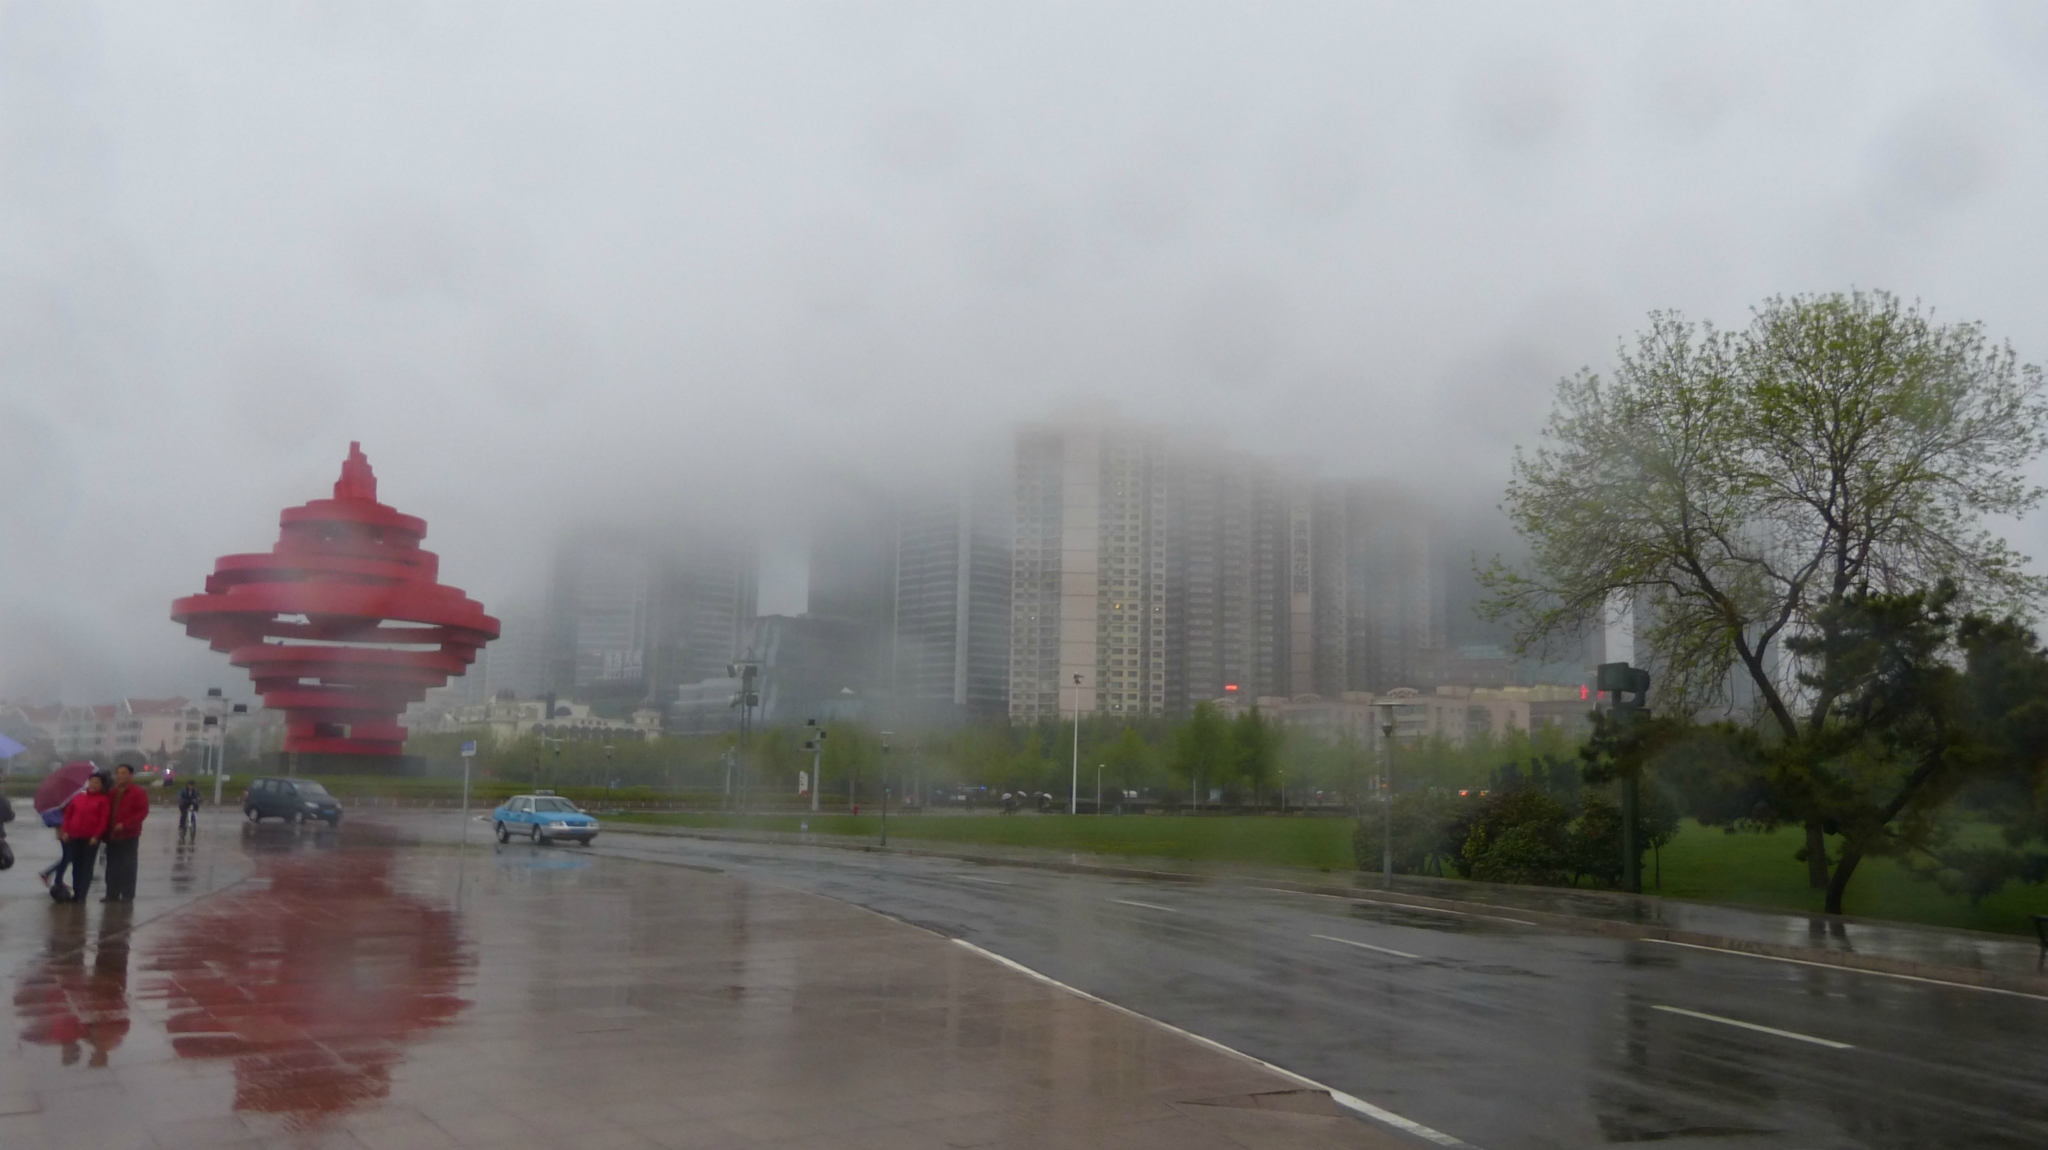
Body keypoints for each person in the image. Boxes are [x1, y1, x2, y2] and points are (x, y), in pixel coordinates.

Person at [57, 773, 112, 904]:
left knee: (87, 867)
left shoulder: (103, 801)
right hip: (74, 837)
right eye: (92, 782)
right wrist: (65, 832)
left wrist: (96, 836)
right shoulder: (78, 798)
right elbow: (68, 816)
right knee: (76, 866)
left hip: (90, 839)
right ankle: (76, 893)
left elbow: (103, 821)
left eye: (97, 782)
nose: (93, 785)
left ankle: (82, 895)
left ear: (102, 785)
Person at [102, 763, 149, 903]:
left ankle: (127, 895)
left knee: (128, 866)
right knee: (112, 866)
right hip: (112, 835)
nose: (120, 776)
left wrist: (125, 825)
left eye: (124, 773)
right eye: (118, 773)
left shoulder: (138, 792)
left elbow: (142, 812)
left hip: (129, 835)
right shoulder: (111, 793)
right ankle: (112, 894)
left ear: (131, 776)